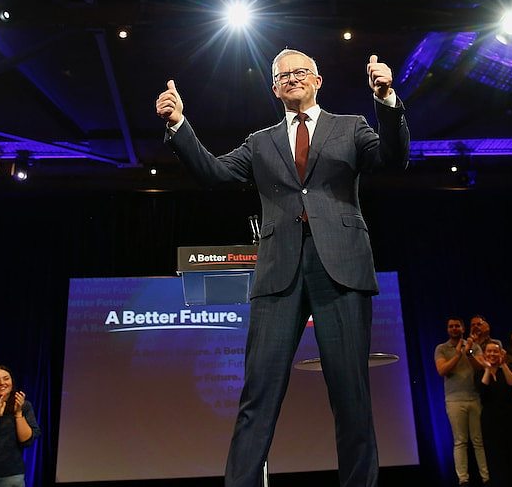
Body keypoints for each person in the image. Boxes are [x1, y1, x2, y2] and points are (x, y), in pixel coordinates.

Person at [156, 49, 409, 487]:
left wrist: (386, 98)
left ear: (317, 79)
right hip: (278, 273)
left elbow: (393, 157)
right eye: (282, 76)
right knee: (258, 394)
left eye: (299, 72)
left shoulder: (351, 127)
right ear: (275, 88)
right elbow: (215, 175)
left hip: (342, 269)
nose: (291, 79)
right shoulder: (260, 142)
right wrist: (179, 124)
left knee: (351, 396)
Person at [434, 317, 490, 486]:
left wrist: (469, 352)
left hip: (474, 397)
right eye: (451, 326)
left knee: (478, 440)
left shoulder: (474, 346)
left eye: (457, 326)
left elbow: (482, 366)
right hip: (454, 400)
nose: (454, 329)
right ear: (447, 329)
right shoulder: (442, 348)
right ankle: (463, 479)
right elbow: (442, 370)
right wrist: (458, 354)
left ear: (463, 328)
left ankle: (486, 477)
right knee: (460, 441)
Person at [476, 340, 512, 487]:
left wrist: (503, 364)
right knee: (496, 458)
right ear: (484, 354)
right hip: (491, 420)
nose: (492, 354)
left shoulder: (508, 367)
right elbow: (482, 391)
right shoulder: (480, 371)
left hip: (511, 417)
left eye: (496, 351)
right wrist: (487, 369)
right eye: (489, 351)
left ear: (501, 353)